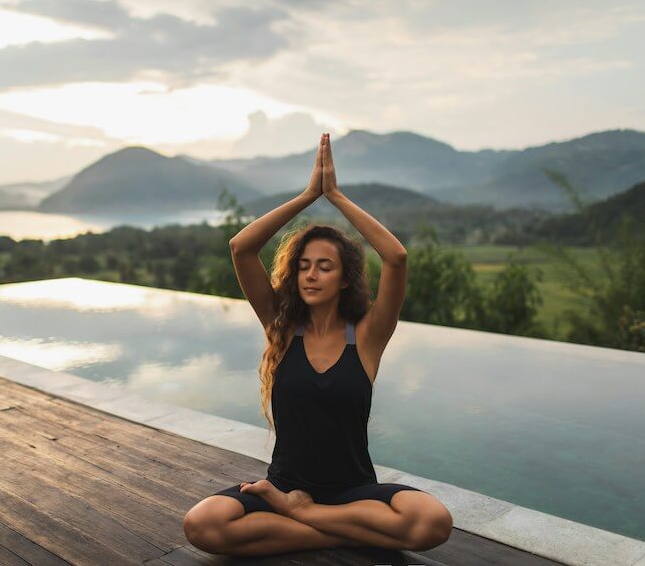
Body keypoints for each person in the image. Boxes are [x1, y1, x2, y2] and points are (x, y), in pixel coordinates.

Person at [181, 133, 453, 557]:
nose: (310, 274)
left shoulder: (366, 337)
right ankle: (351, 531)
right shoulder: (282, 327)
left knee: (434, 522)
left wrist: (337, 197)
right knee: (202, 524)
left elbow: (396, 257)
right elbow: (241, 247)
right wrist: (310, 195)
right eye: (304, 266)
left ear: (344, 279)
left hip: (353, 490)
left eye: (324, 267)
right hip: (286, 485)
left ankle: (303, 519)